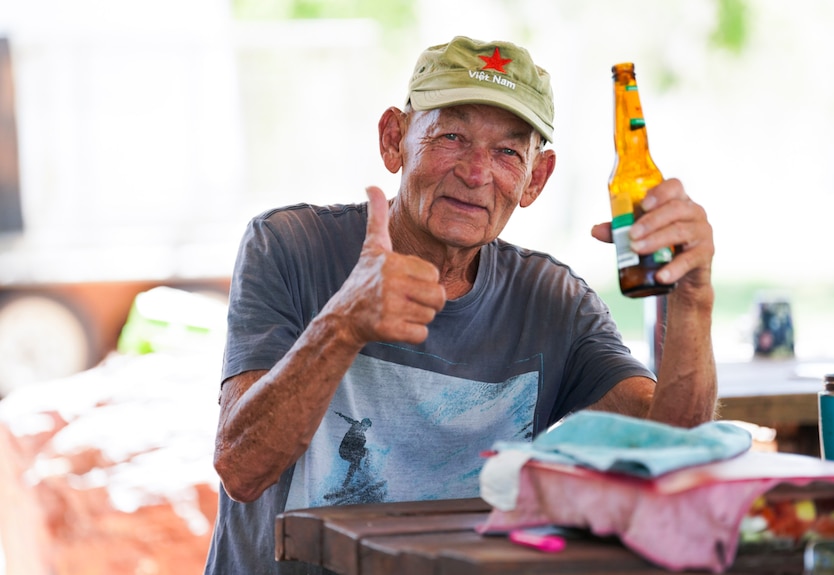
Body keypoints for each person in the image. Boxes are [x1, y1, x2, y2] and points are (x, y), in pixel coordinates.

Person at [203, 35, 717, 574]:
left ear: (534, 180)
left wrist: (694, 297)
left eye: (507, 153)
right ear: (393, 139)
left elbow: (675, 449)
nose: (475, 174)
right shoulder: (290, 245)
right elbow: (241, 469)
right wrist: (343, 324)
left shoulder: (554, 301)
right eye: (451, 136)